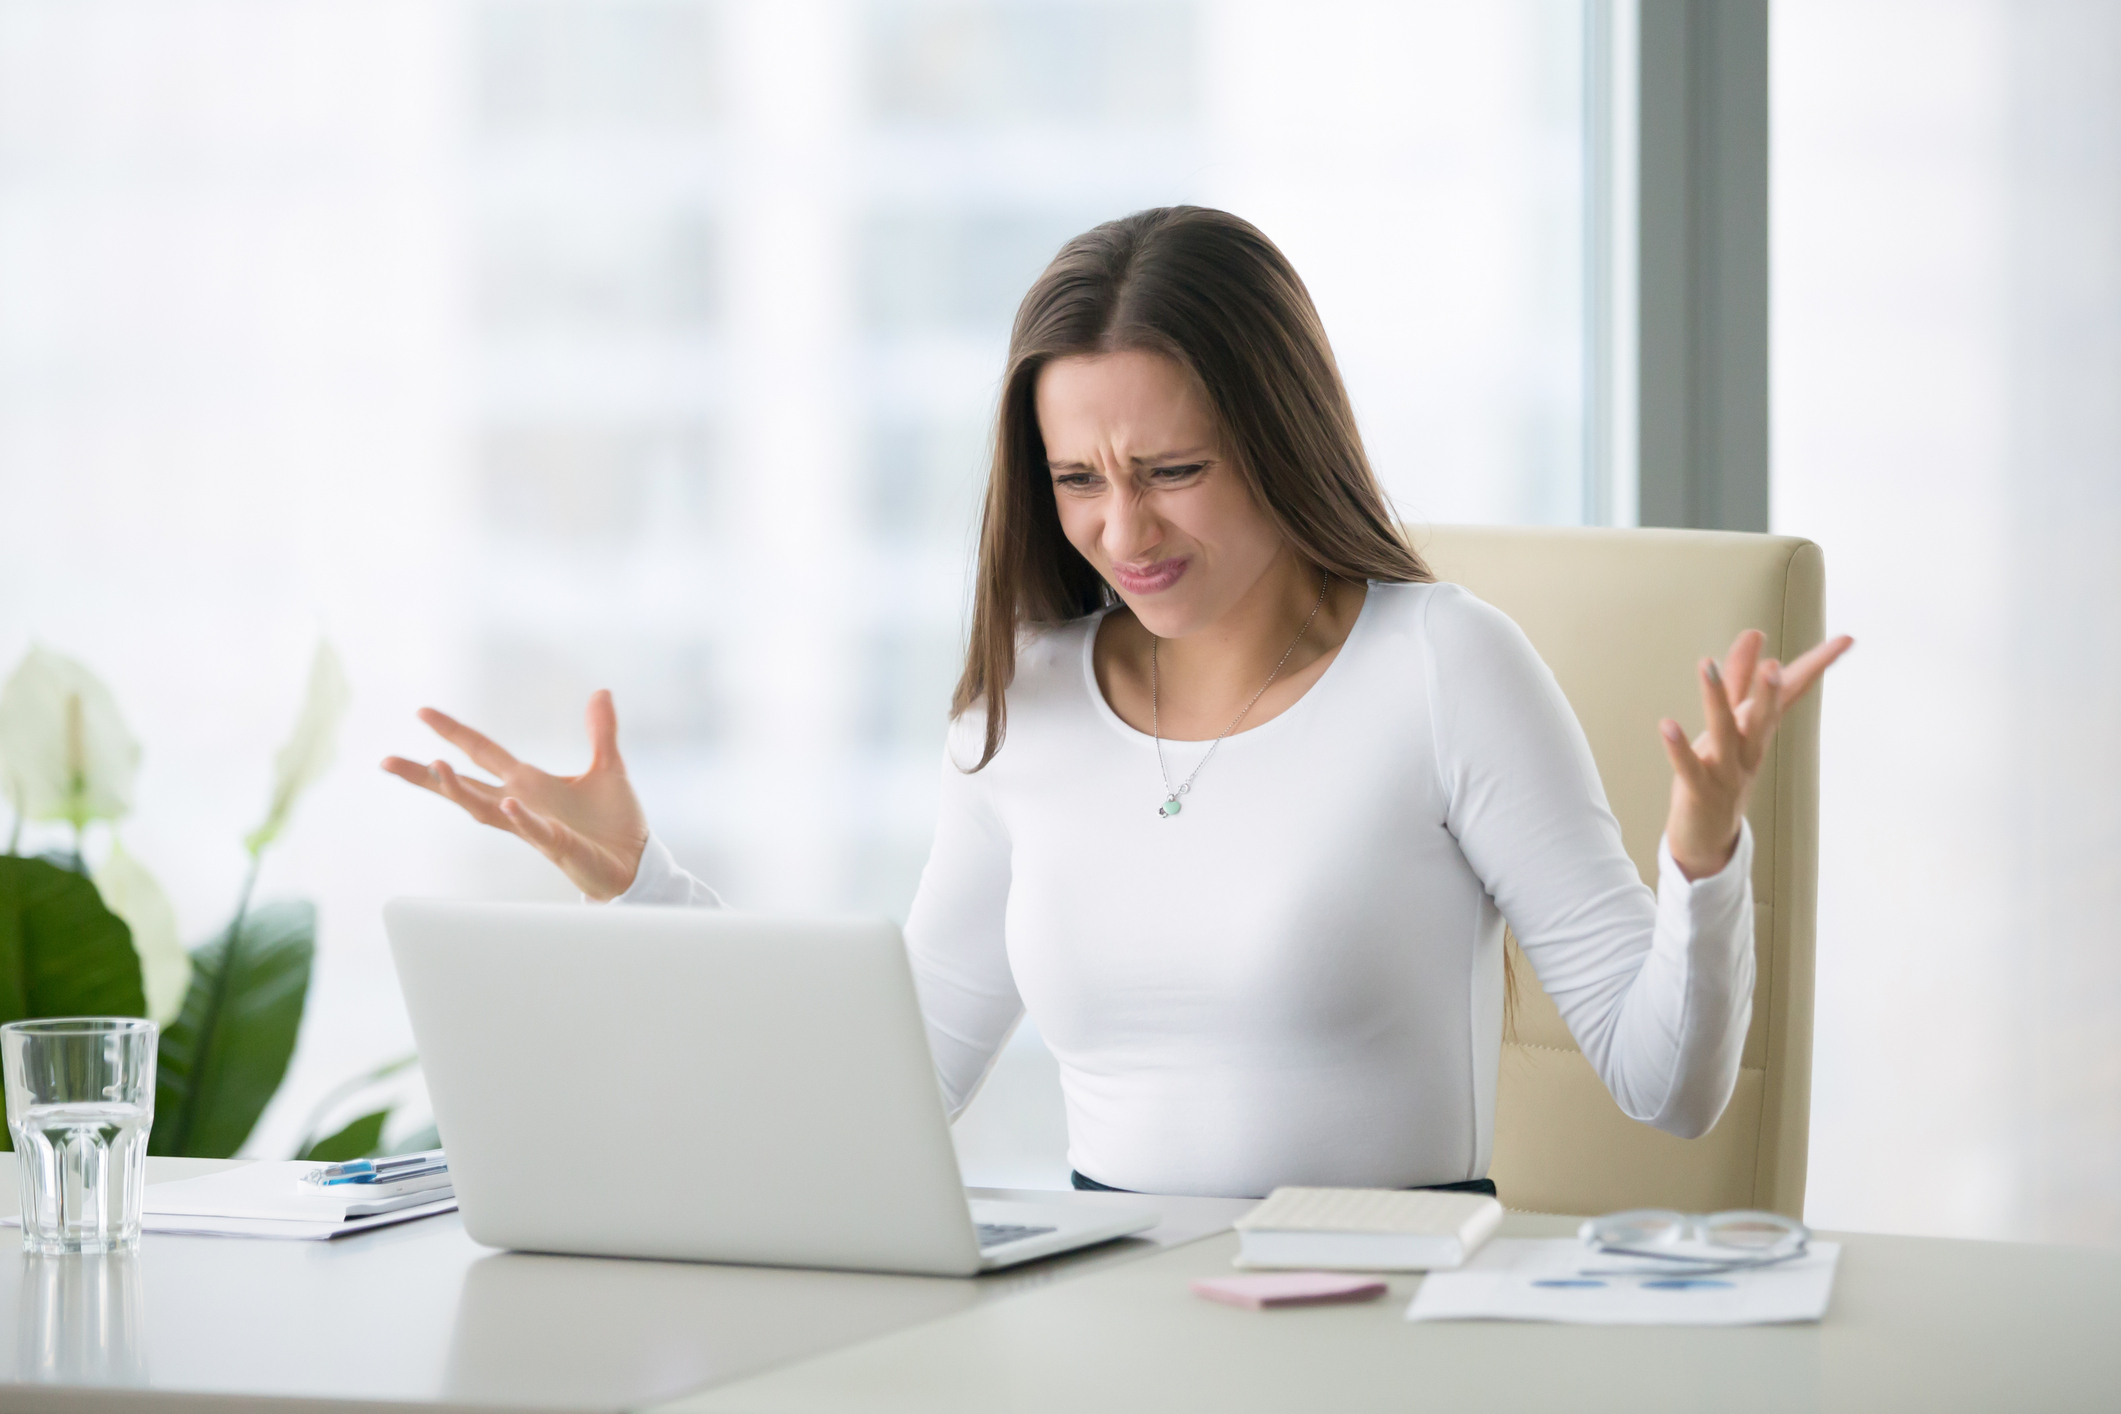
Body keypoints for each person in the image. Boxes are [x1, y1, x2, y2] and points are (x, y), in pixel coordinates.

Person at [385, 206, 1852, 1201]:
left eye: (1172, 471)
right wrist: (640, 887)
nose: (1121, 531)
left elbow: (1668, 1087)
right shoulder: (1019, 701)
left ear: (1282, 438)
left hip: (1386, 1336)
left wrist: (1703, 853)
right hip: (1102, 1328)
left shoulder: (1442, 666)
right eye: (1077, 480)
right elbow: (890, 1086)